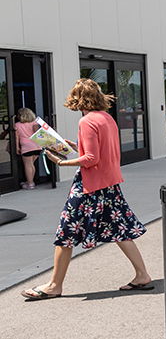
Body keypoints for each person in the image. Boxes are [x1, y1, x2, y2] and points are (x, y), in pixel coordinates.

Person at [21, 79, 152, 301]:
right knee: (120, 231)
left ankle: (54, 285)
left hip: (90, 186)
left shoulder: (87, 121)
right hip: (110, 184)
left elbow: (91, 159)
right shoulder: (107, 118)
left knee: (65, 232)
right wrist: (71, 146)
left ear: (78, 98)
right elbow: (100, 150)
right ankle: (142, 275)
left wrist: (61, 163)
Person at [14, 108, 42, 189]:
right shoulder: (34, 123)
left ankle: (30, 183)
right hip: (36, 146)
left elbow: (16, 138)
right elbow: (38, 134)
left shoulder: (17, 125)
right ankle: (31, 181)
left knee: (28, 165)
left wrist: (17, 147)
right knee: (31, 165)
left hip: (26, 146)